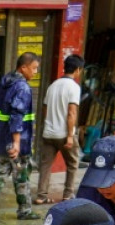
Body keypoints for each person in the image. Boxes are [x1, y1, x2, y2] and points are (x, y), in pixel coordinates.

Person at [0, 52, 41, 220]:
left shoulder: (5, 83)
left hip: (2, 138)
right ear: (23, 67)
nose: (35, 72)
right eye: (34, 68)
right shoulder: (22, 87)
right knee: (22, 175)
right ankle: (24, 210)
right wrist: (17, 143)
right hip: (17, 141)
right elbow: (17, 116)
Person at [36, 54, 85, 204]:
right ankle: (68, 194)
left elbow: (45, 108)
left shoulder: (53, 86)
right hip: (64, 133)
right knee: (72, 163)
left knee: (45, 165)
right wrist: (70, 135)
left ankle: (41, 196)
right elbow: (72, 112)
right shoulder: (74, 87)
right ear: (77, 69)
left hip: (49, 132)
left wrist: (50, 122)